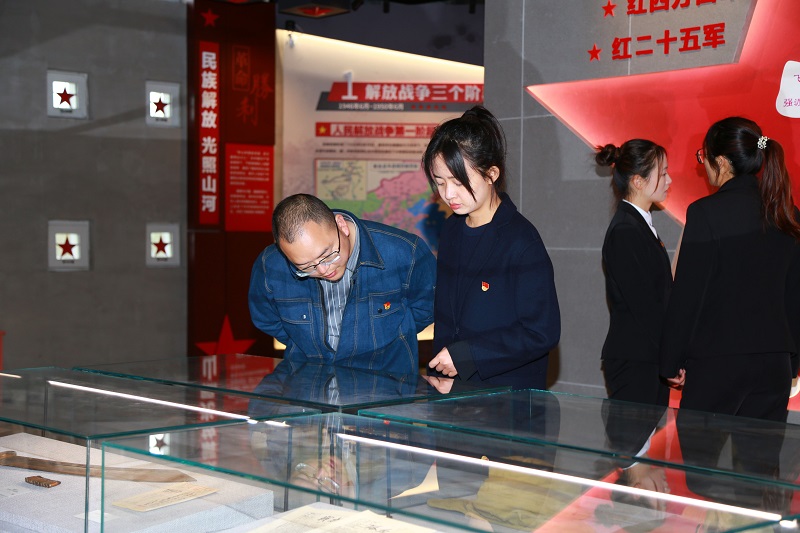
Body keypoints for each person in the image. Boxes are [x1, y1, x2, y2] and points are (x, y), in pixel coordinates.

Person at [659, 116, 800, 421]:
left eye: (703, 157)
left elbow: (688, 295)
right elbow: (795, 293)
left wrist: (670, 361)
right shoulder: (787, 212)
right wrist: (793, 360)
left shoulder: (705, 213)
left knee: (700, 453)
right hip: (774, 364)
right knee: (760, 455)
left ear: (721, 162)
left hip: (717, 363)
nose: (703, 164)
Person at [422, 105, 560, 390]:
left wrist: (467, 356)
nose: (448, 194)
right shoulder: (450, 230)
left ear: (491, 173)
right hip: (451, 389)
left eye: (459, 182)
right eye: (440, 182)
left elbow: (541, 332)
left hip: (505, 398)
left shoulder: (521, 241)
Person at [248, 193, 436, 375]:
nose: (323, 270)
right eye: (305, 267)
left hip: (386, 383)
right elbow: (266, 318)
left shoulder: (405, 252)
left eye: (328, 255)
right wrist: (305, 343)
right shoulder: (271, 264)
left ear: (341, 225)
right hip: (309, 382)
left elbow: (427, 309)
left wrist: (388, 338)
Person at [595, 140, 674, 407]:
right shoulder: (626, 231)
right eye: (662, 173)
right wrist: (671, 359)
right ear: (638, 182)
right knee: (634, 435)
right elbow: (646, 306)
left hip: (646, 358)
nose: (669, 180)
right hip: (636, 361)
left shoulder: (637, 224)